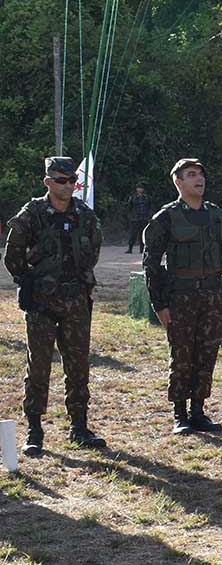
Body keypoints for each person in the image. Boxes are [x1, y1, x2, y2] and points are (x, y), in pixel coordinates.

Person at [4, 156, 107, 455]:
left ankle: (79, 426)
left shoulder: (85, 215)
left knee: (78, 365)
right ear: (47, 181)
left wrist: (82, 281)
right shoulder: (32, 213)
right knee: (38, 366)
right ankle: (34, 430)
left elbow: (93, 249)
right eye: (60, 180)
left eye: (71, 180)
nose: (67, 185)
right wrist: (27, 280)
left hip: (76, 300)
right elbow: (13, 254)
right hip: (42, 303)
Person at [143, 158, 222, 435]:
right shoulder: (166, 217)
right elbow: (151, 262)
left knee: (207, 353)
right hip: (180, 297)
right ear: (178, 182)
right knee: (182, 355)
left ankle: (198, 411)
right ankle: (179, 413)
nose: (199, 179)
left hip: (211, 296)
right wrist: (159, 304)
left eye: (201, 174)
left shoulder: (217, 215)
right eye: (192, 174)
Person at [126, 185, 151, 253]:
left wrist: (149, 216)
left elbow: (149, 207)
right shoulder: (132, 197)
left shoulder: (146, 198)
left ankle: (142, 249)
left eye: (141, 188)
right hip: (135, 218)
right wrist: (130, 216)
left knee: (142, 234)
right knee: (133, 234)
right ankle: (130, 248)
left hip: (144, 218)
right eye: (138, 188)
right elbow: (129, 207)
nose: (139, 189)